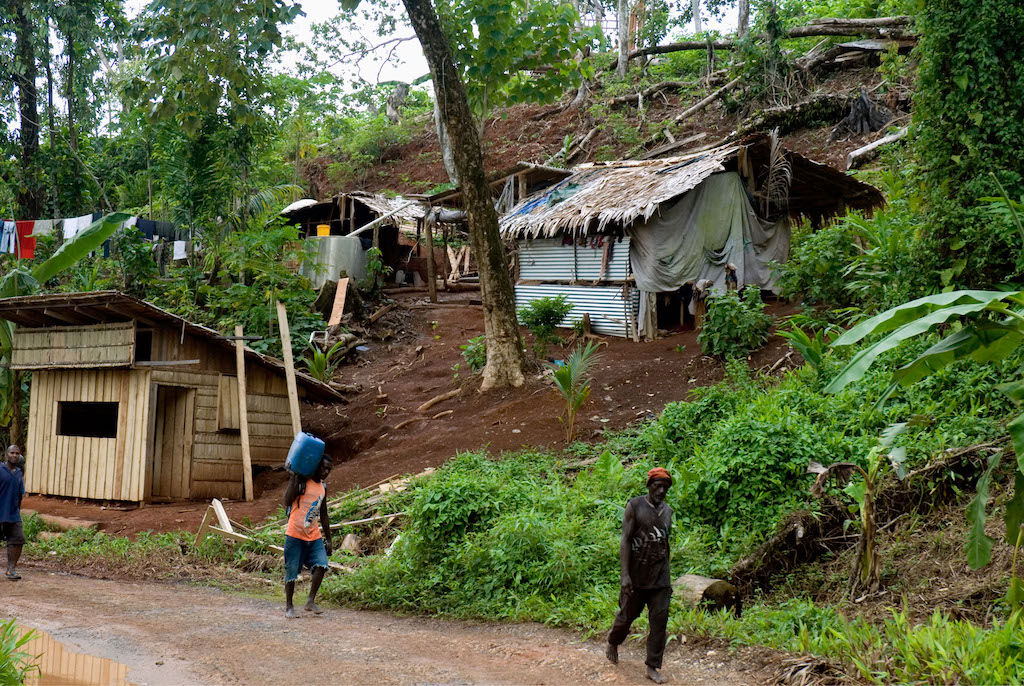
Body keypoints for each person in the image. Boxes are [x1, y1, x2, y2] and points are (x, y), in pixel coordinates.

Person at [606, 467, 674, 684]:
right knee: (626, 617)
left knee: (659, 622)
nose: (661, 490)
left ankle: (652, 666)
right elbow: (625, 540)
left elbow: (664, 544)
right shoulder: (634, 506)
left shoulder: (669, 512)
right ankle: (613, 640)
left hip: (660, 578)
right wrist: (625, 575)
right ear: (649, 485)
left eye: (665, 487)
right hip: (636, 577)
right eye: (658, 485)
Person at [282, 454, 333, 618]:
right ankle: (289, 606)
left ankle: (310, 600)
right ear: (316, 466)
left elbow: (323, 514)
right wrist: (294, 479)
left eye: (329, 469)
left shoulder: (323, 487)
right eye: (324, 467)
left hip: (314, 535)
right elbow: (287, 500)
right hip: (295, 534)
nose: (326, 472)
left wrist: (329, 539)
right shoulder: (302, 483)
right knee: (291, 572)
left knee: (321, 565)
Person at [1, 445, 26, 581]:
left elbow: (20, 494)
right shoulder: (0, 470)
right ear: (6, 455)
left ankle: (11, 569)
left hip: (13, 514)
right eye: (12, 453)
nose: (15, 455)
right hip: (1, 512)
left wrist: (17, 510)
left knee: (18, 540)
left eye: (17, 453)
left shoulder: (18, 473)